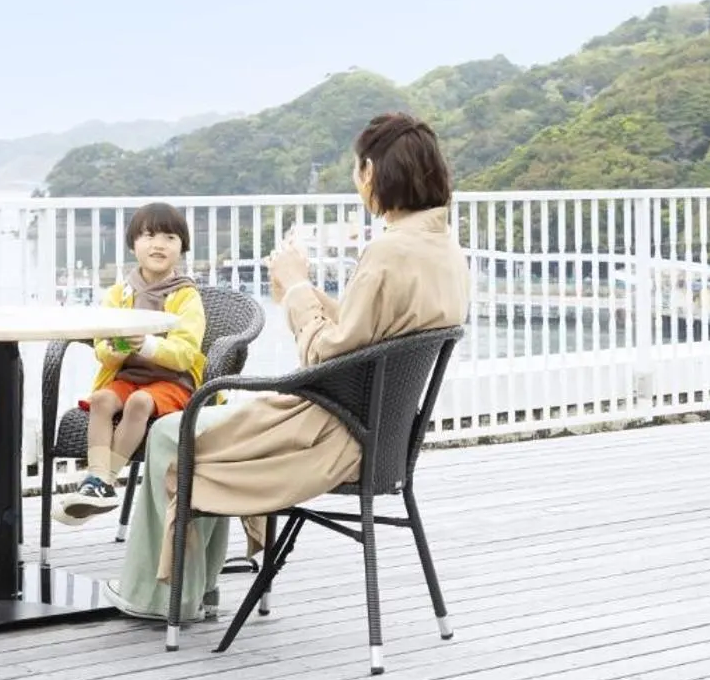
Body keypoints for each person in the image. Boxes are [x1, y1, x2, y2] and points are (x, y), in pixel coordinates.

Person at [108, 112, 468, 621]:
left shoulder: (387, 251)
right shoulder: (443, 247)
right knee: (198, 433)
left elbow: (324, 354)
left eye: (358, 170)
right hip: (384, 436)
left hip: (331, 433)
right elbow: (372, 336)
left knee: (173, 432)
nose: (357, 180)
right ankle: (198, 590)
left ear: (372, 172)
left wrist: (297, 287)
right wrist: (304, 292)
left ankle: (163, 596)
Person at [54, 201, 206, 525]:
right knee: (101, 399)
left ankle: (105, 482)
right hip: (129, 376)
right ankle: (95, 479)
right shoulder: (119, 293)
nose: (158, 244)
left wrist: (147, 344)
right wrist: (120, 348)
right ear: (133, 244)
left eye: (169, 237)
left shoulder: (186, 296)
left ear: (182, 247)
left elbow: (186, 353)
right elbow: (102, 348)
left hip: (173, 382)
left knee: (139, 402)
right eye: (149, 236)